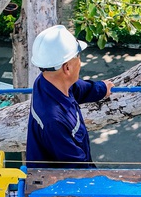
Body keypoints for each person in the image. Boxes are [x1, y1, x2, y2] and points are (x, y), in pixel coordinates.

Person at [26, 25, 113, 168]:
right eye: (78, 57)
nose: (80, 62)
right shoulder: (53, 121)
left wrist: (102, 89)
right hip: (60, 186)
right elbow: (77, 169)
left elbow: (77, 88)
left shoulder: (45, 82)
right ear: (67, 68)